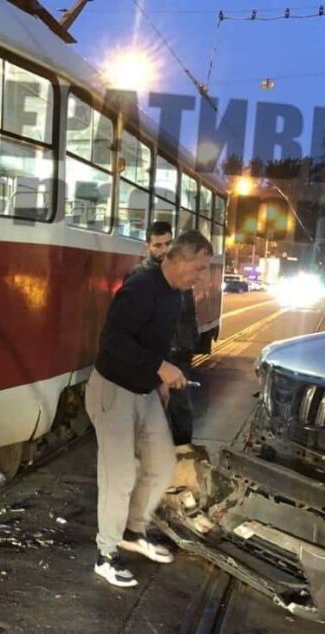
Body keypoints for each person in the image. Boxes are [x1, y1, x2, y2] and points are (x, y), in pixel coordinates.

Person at [86, 231, 214, 587]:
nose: (202, 276)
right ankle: (105, 554)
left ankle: (133, 531)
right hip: (113, 390)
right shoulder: (141, 287)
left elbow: (155, 342)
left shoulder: (175, 294)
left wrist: (158, 381)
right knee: (120, 475)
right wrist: (161, 368)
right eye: (200, 268)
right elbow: (112, 341)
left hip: (143, 391)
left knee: (162, 464)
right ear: (180, 259)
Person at [126, 221, 200, 447]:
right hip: (151, 355)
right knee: (148, 408)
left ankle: (183, 456)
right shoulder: (138, 276)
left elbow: (188, 314)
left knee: (180, 407)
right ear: (147, 246)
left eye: (168, 243)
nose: (164, 250)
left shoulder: (181, 274)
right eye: (158, 245)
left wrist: (188, 345)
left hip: (178, 352)